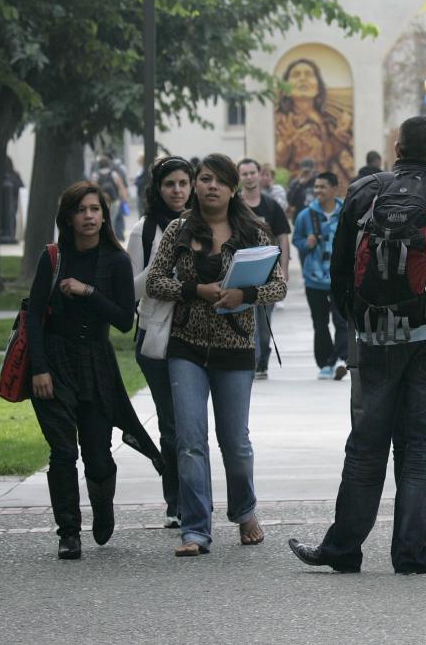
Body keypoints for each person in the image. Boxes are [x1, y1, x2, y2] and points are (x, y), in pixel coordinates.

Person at [288, 116, 426, 575]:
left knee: (365, 445)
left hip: (375, 337)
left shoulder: (364, 192)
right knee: (423, 448)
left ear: (397, 148)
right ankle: (411, 553)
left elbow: (341, 265)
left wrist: (358, 318)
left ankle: (343, 548)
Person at [146, 154, 288, 557]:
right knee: (190, 440)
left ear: (232, 189)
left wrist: (246, 295)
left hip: (236, 348)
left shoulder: (254, 232)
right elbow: (155, 282)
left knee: (235, 442)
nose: (210, 187)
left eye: (219, 181)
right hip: (186, 346)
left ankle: (245, 511)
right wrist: (195, 290)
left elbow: (278, 286)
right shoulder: (178, 229)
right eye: (204, 179)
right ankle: (195, 529)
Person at [28, 181, 162, 560]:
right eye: (81, 210)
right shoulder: (52, 258)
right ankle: (68, 532)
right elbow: (34, 318)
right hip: (53, 363)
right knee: (62, 451)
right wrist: (39, 368)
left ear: (104, 216)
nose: (89, 216)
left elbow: (123, 320)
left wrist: (89, 292)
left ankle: (102, 506)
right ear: (68, 217)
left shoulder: (116, 261)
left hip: (95, 364)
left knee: (98, 455)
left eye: (95, 209)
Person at [126, 155, 194, 528]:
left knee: (194, 424)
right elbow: (130, 289)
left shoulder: (204, 224)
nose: (178, 191)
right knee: (172, 422)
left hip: (197, 333)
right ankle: (178, 503)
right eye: (170, 184)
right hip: (157, 335)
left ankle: (197, 499)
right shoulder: (144, 231)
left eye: (184, 183)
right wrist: (159, 269)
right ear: (158, 188)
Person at [238, 158, 291, 381]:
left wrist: (284, 269)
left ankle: (262, 361)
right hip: (239, 274)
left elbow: (283, 238)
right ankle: (247, 360)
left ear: (260, 175)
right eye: (245, 173)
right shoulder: (235, 206)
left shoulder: (271, 206)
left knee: (263, 324)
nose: (249, 177)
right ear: (239, 177)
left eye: (253, 173)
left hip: (267, 274)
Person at [293, 171, 350, 381]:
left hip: (340, 277)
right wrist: (304, 244)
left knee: (342, 320)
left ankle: (342, 359)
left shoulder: (346, 212)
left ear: (335, 188)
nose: (318, 191)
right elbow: (296, 239)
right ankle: (326, 362)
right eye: (316, 187)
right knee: (320, 323)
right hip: (314, 278)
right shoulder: (305, 215)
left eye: (323, 187)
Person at [274, 57, 354, 194]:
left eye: (309, 74)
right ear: (285, 87)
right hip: (297, 189)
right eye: (296, 75)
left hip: (325, 187)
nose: (302, 78)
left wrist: (338, 138)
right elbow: (278, 164)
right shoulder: (280, 120)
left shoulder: (328, 121)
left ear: (319, 86)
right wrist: (285, 145)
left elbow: (327, 155)